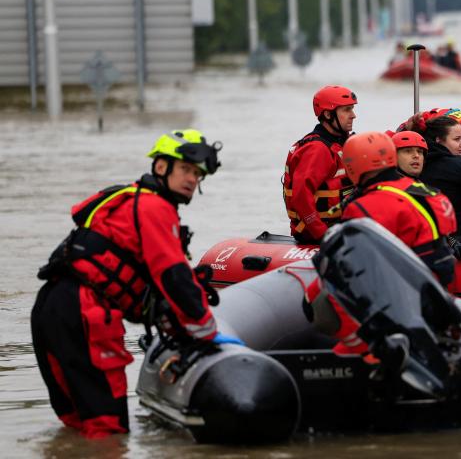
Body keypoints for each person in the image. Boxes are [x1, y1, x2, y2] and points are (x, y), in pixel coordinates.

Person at [31, 130, 238, 438]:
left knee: (77, 425)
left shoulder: (127, 199)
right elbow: (173, 277)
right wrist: (206, 329)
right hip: (85, 312)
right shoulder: (155, 208)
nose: (192, 179)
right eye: (185, 169)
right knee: (108, 429)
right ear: (160, 167)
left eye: (197, 174)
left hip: (50, 306)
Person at [341, 132, 458, 284]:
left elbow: (352, 262)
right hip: (439, 287)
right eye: (408, 151)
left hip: (398, 289)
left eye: (419, 152)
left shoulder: (360, 207)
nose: (416, 156)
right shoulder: (434, 194)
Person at [283, 85, 357, 244]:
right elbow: (301, 196)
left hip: (341, 227)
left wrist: (406, 128)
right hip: (318, 233)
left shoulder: (341, 142)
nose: (353, 115)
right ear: (328, 115)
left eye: (352, 109)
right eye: (346, 110)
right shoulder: (317, 150)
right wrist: (323, 235)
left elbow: (378, 149)